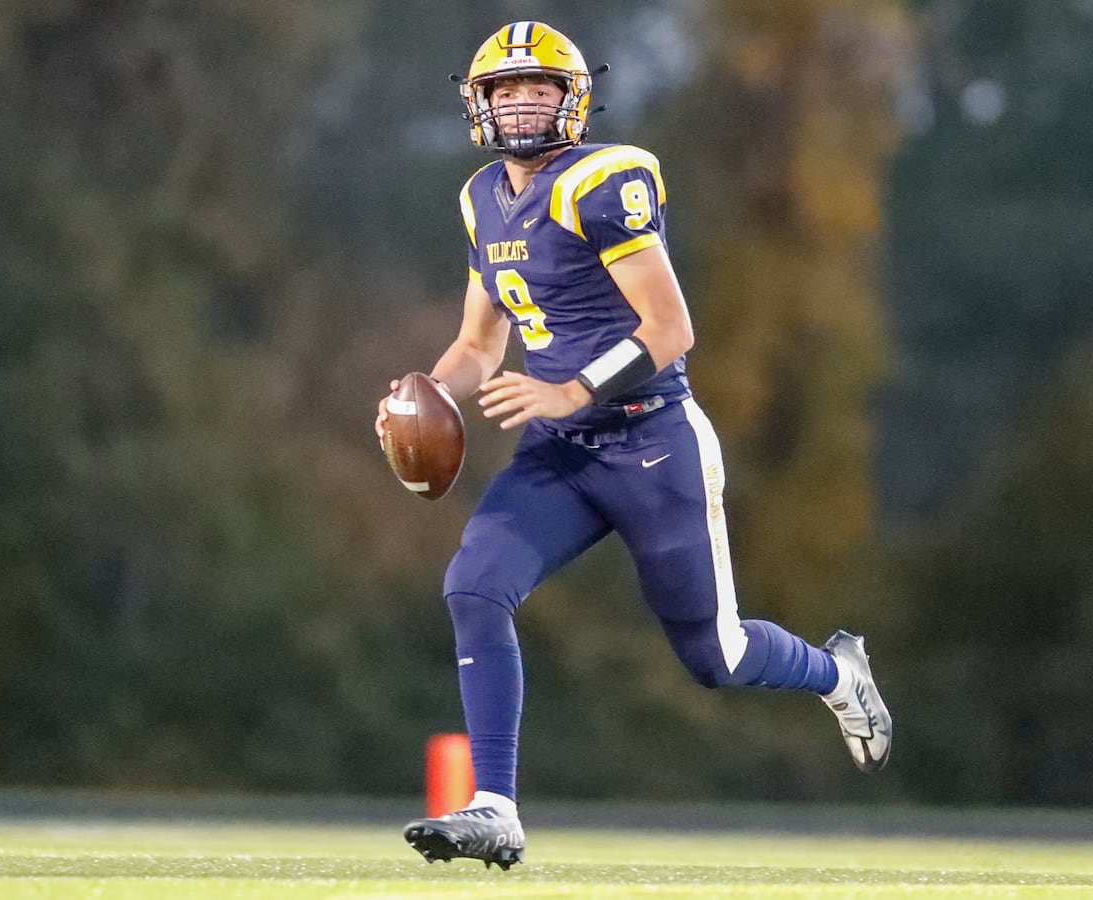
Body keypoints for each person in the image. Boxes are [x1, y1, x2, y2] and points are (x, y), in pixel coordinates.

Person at [375, 20, 892, 871]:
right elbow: (478, 344)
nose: (523, 103)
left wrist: (571, 387)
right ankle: (496, 806)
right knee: (473, 584)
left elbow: (671, 326)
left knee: (714, 656)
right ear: (480, 105)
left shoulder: (601, 181)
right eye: (507, 90)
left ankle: (838, 676)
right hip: (562, 450)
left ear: (574, 99)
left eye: (540, 87)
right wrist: (422, 395)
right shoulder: (480, 198)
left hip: (652, 438)